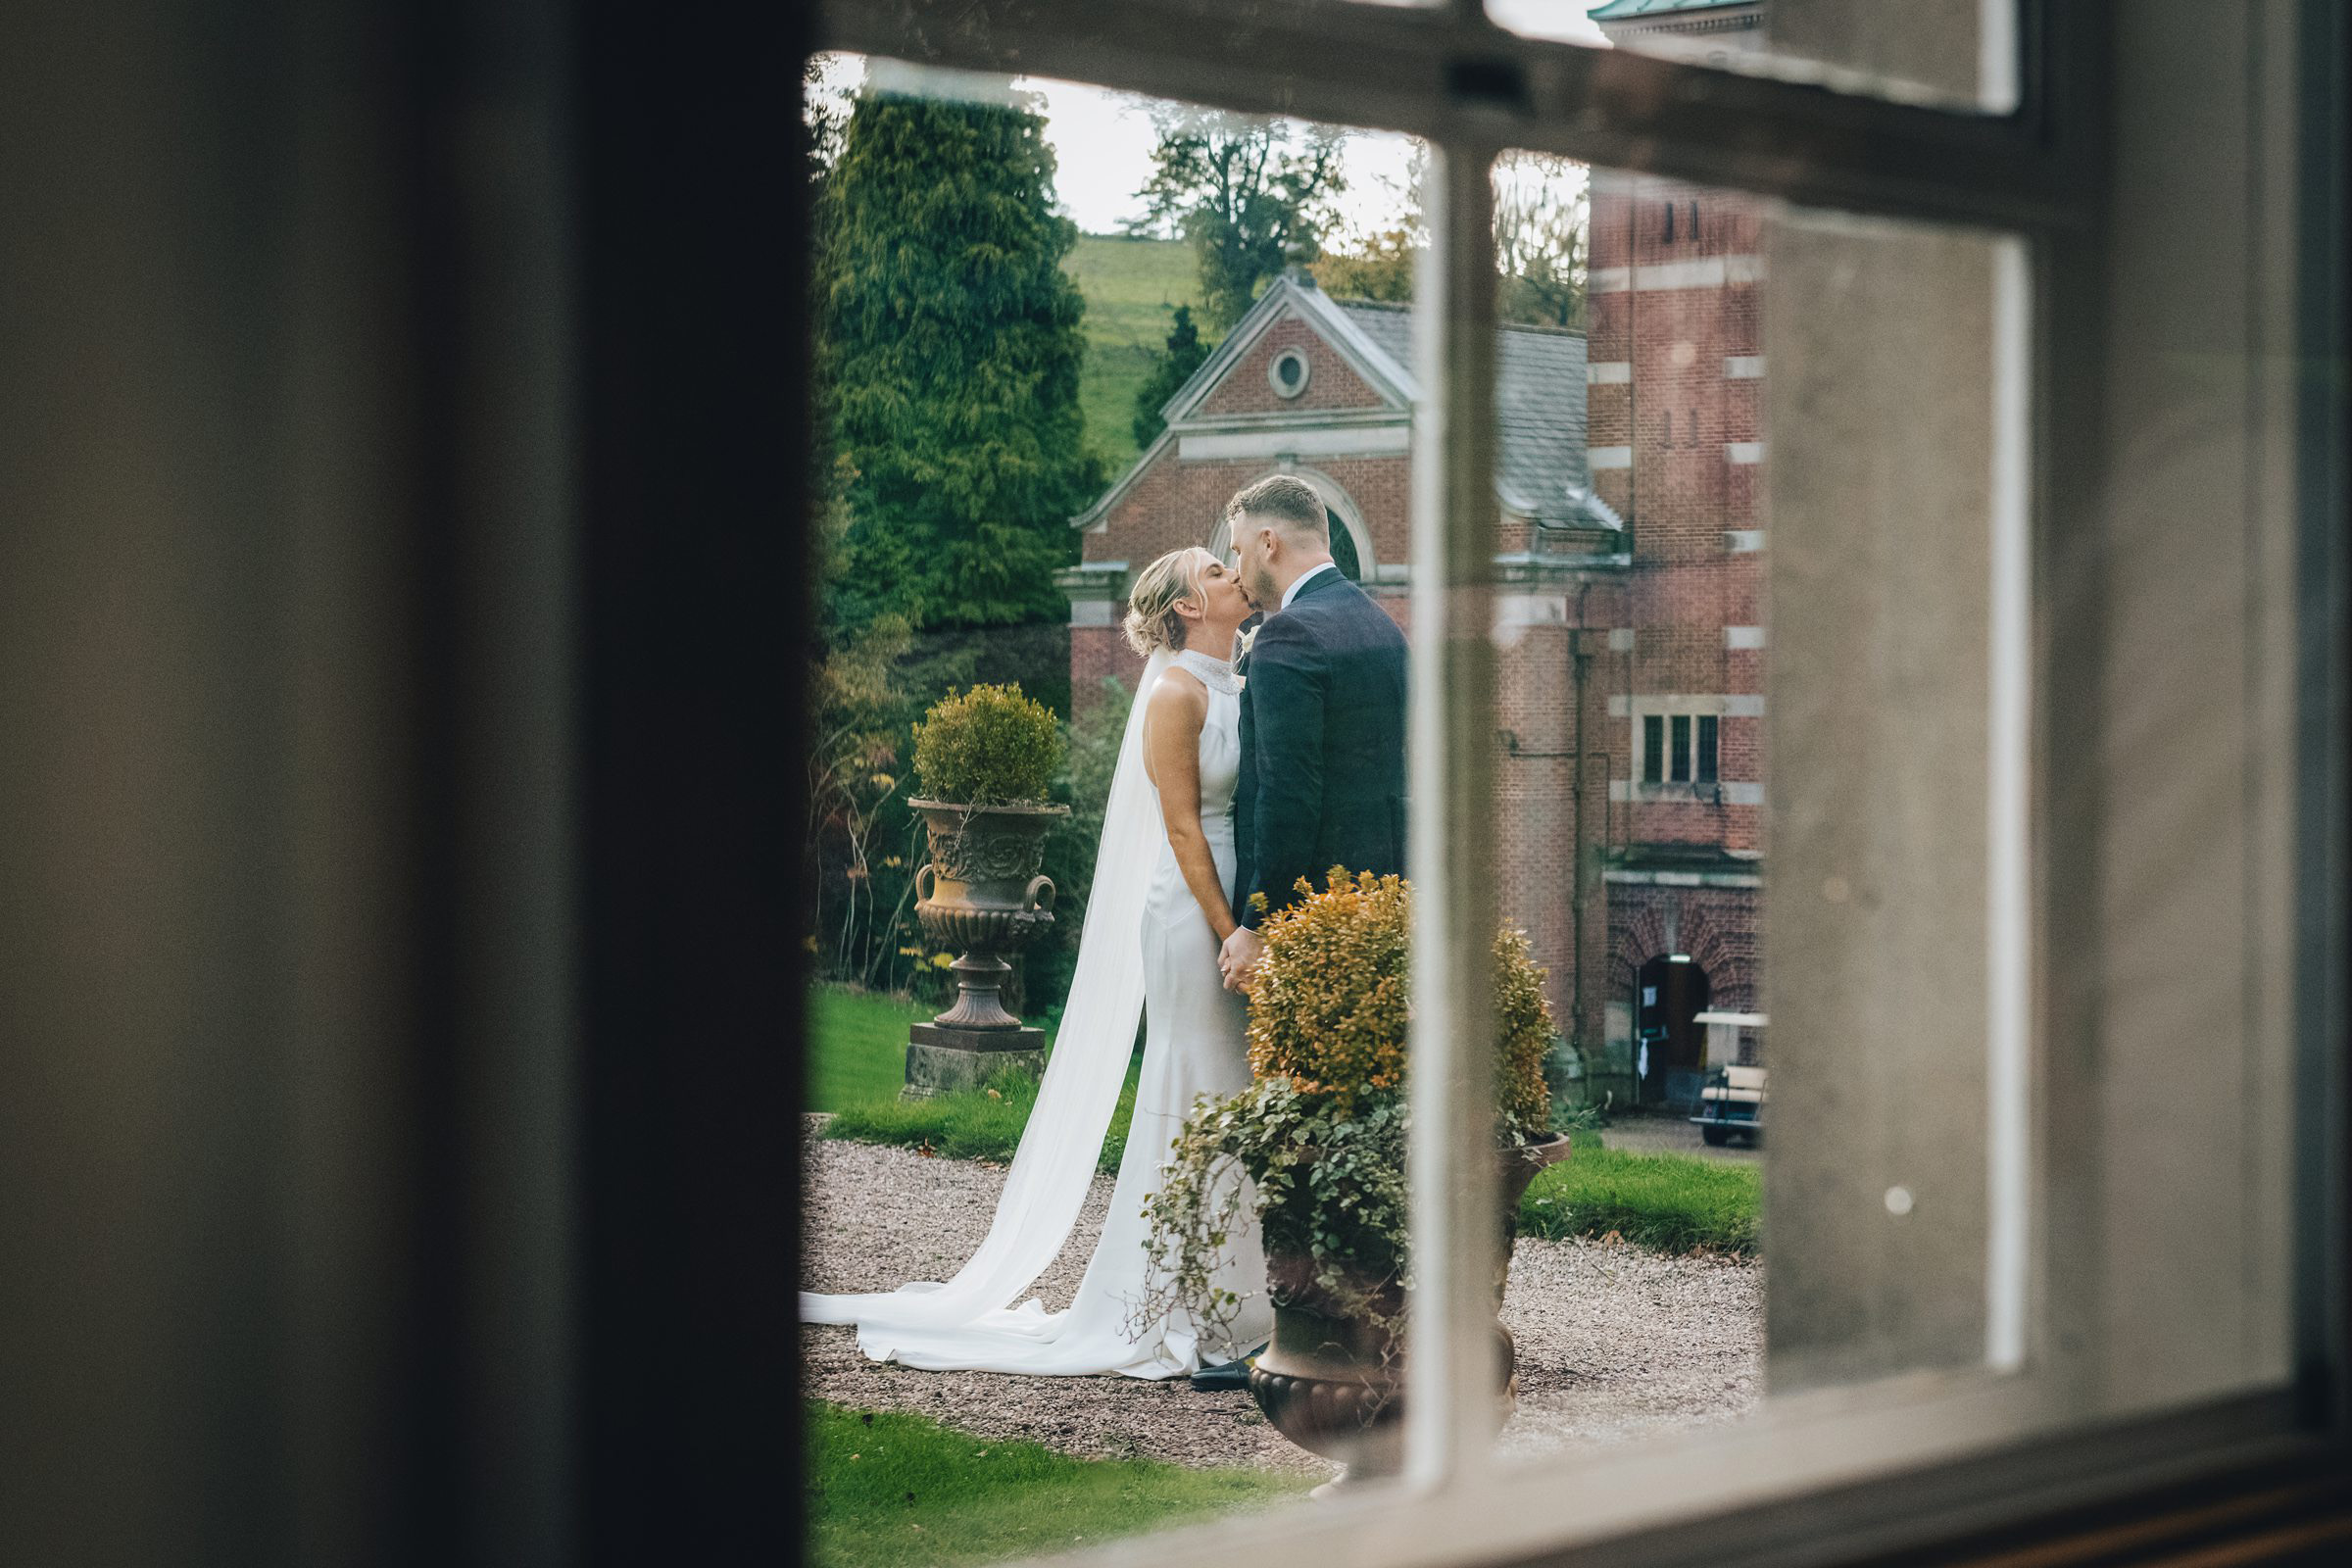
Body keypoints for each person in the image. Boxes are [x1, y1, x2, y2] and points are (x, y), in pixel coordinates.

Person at [799, 545, 1272, 1380]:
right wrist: (1229, 926)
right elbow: (1181, 828)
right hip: (1193, 909)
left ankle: (1239, 1299)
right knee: (1193, 1085)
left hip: (1234, 899)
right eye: (1214, 571)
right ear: (1187, 607)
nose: (1234, 573)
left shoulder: (1238, 679)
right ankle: (1176, 1302)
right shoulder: (1175, 692)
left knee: (1232, 1088)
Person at [1217, 474, 1410, 998]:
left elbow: (1288, 795)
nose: (1237, 569)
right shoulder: (1383, 627)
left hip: (1313, 914)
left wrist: (1258, 923)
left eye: (1238, 551)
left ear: (1269, 543)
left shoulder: (1288, 634)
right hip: (1383, 899)